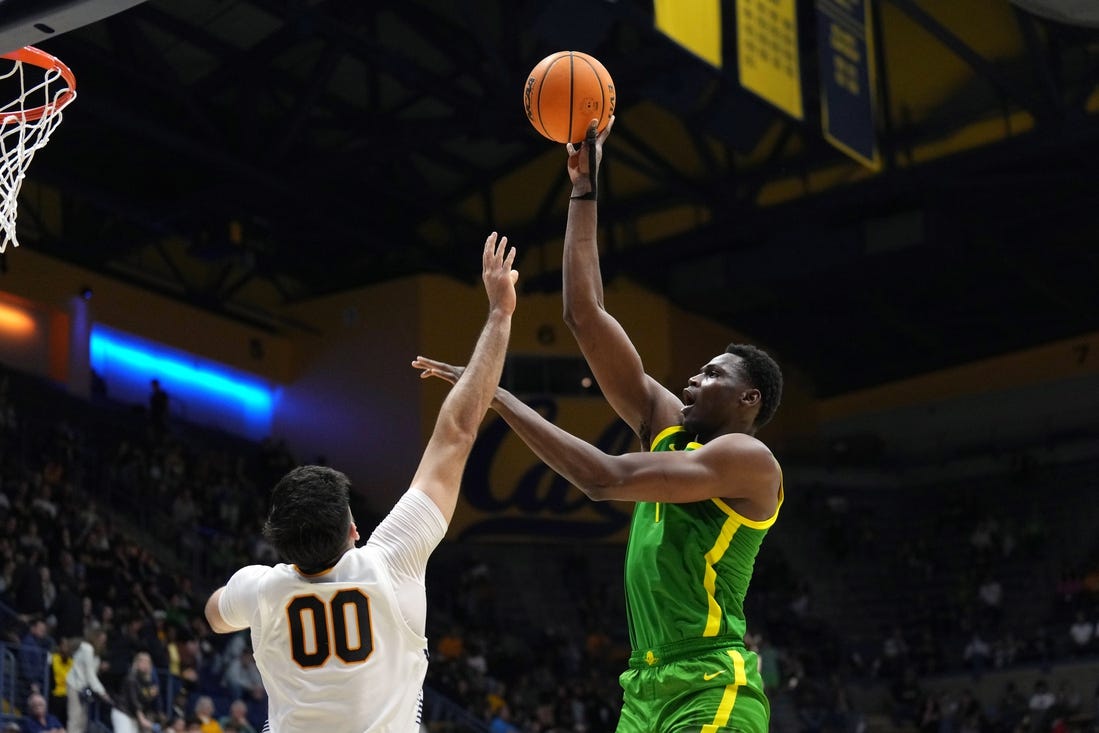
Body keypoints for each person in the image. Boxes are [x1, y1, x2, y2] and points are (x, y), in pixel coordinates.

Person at [414, 117, 783, 733]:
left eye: (710, 374)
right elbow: (583, 314)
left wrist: (500, 398)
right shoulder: (669, 427)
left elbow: (604, 479)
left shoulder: (749, 459)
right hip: (643, 685)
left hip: (712, 683)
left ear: (748, 399)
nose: (691, 380)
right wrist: (584, 188)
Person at [204, 232, 518, 731]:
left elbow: (215, 614)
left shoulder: (260, 588)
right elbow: (456, 432)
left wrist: (237, 599)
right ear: (354, 530)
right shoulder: (391, 562)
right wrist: (499, 314)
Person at [65, 629, 111, 733]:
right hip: (74, 685)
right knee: (75, 718)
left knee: (83, 720)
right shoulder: (87, 649)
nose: (103, 642)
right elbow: (90, 675)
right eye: (101, 639)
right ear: (95, 638)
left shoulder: (96, 653)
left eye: (104, 640)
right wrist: (102, 692)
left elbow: (92, 673)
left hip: (84, 689)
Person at [110, 651, 164, 733]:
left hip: (133, 716)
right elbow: (134, 701)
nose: (145, 664)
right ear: (136, 663)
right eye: (142, 661)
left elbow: (145, 701)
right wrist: (142, 719)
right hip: (123, 712)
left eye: (148, 662)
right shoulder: (131, 679)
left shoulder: (147, 683)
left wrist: (151, 696)